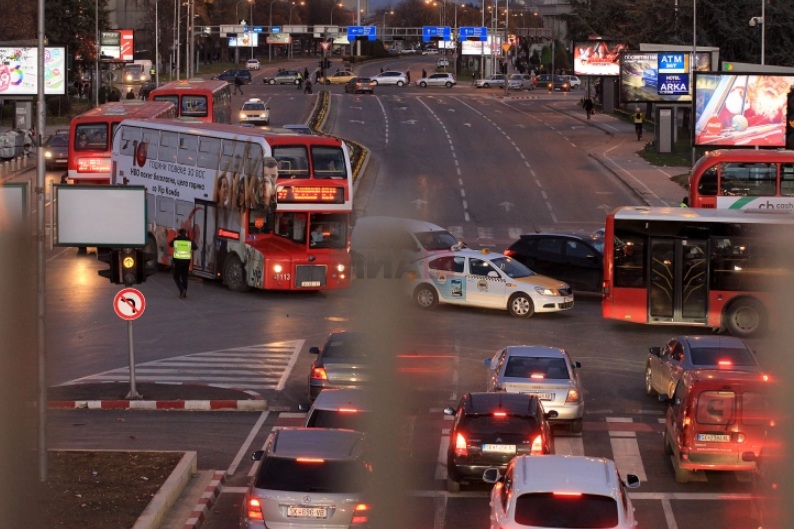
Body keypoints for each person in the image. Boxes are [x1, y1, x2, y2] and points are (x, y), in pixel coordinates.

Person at [169, 228, 197, 299]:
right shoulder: (189, 241)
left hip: (178, 261)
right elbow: (195, 247)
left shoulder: (176, 240)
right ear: (185, 233)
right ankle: (184, 291)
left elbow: (170, 244)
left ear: (179, 233)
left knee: (176, 277)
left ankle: (182, 290)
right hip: (186, 261)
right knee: (184, 277)